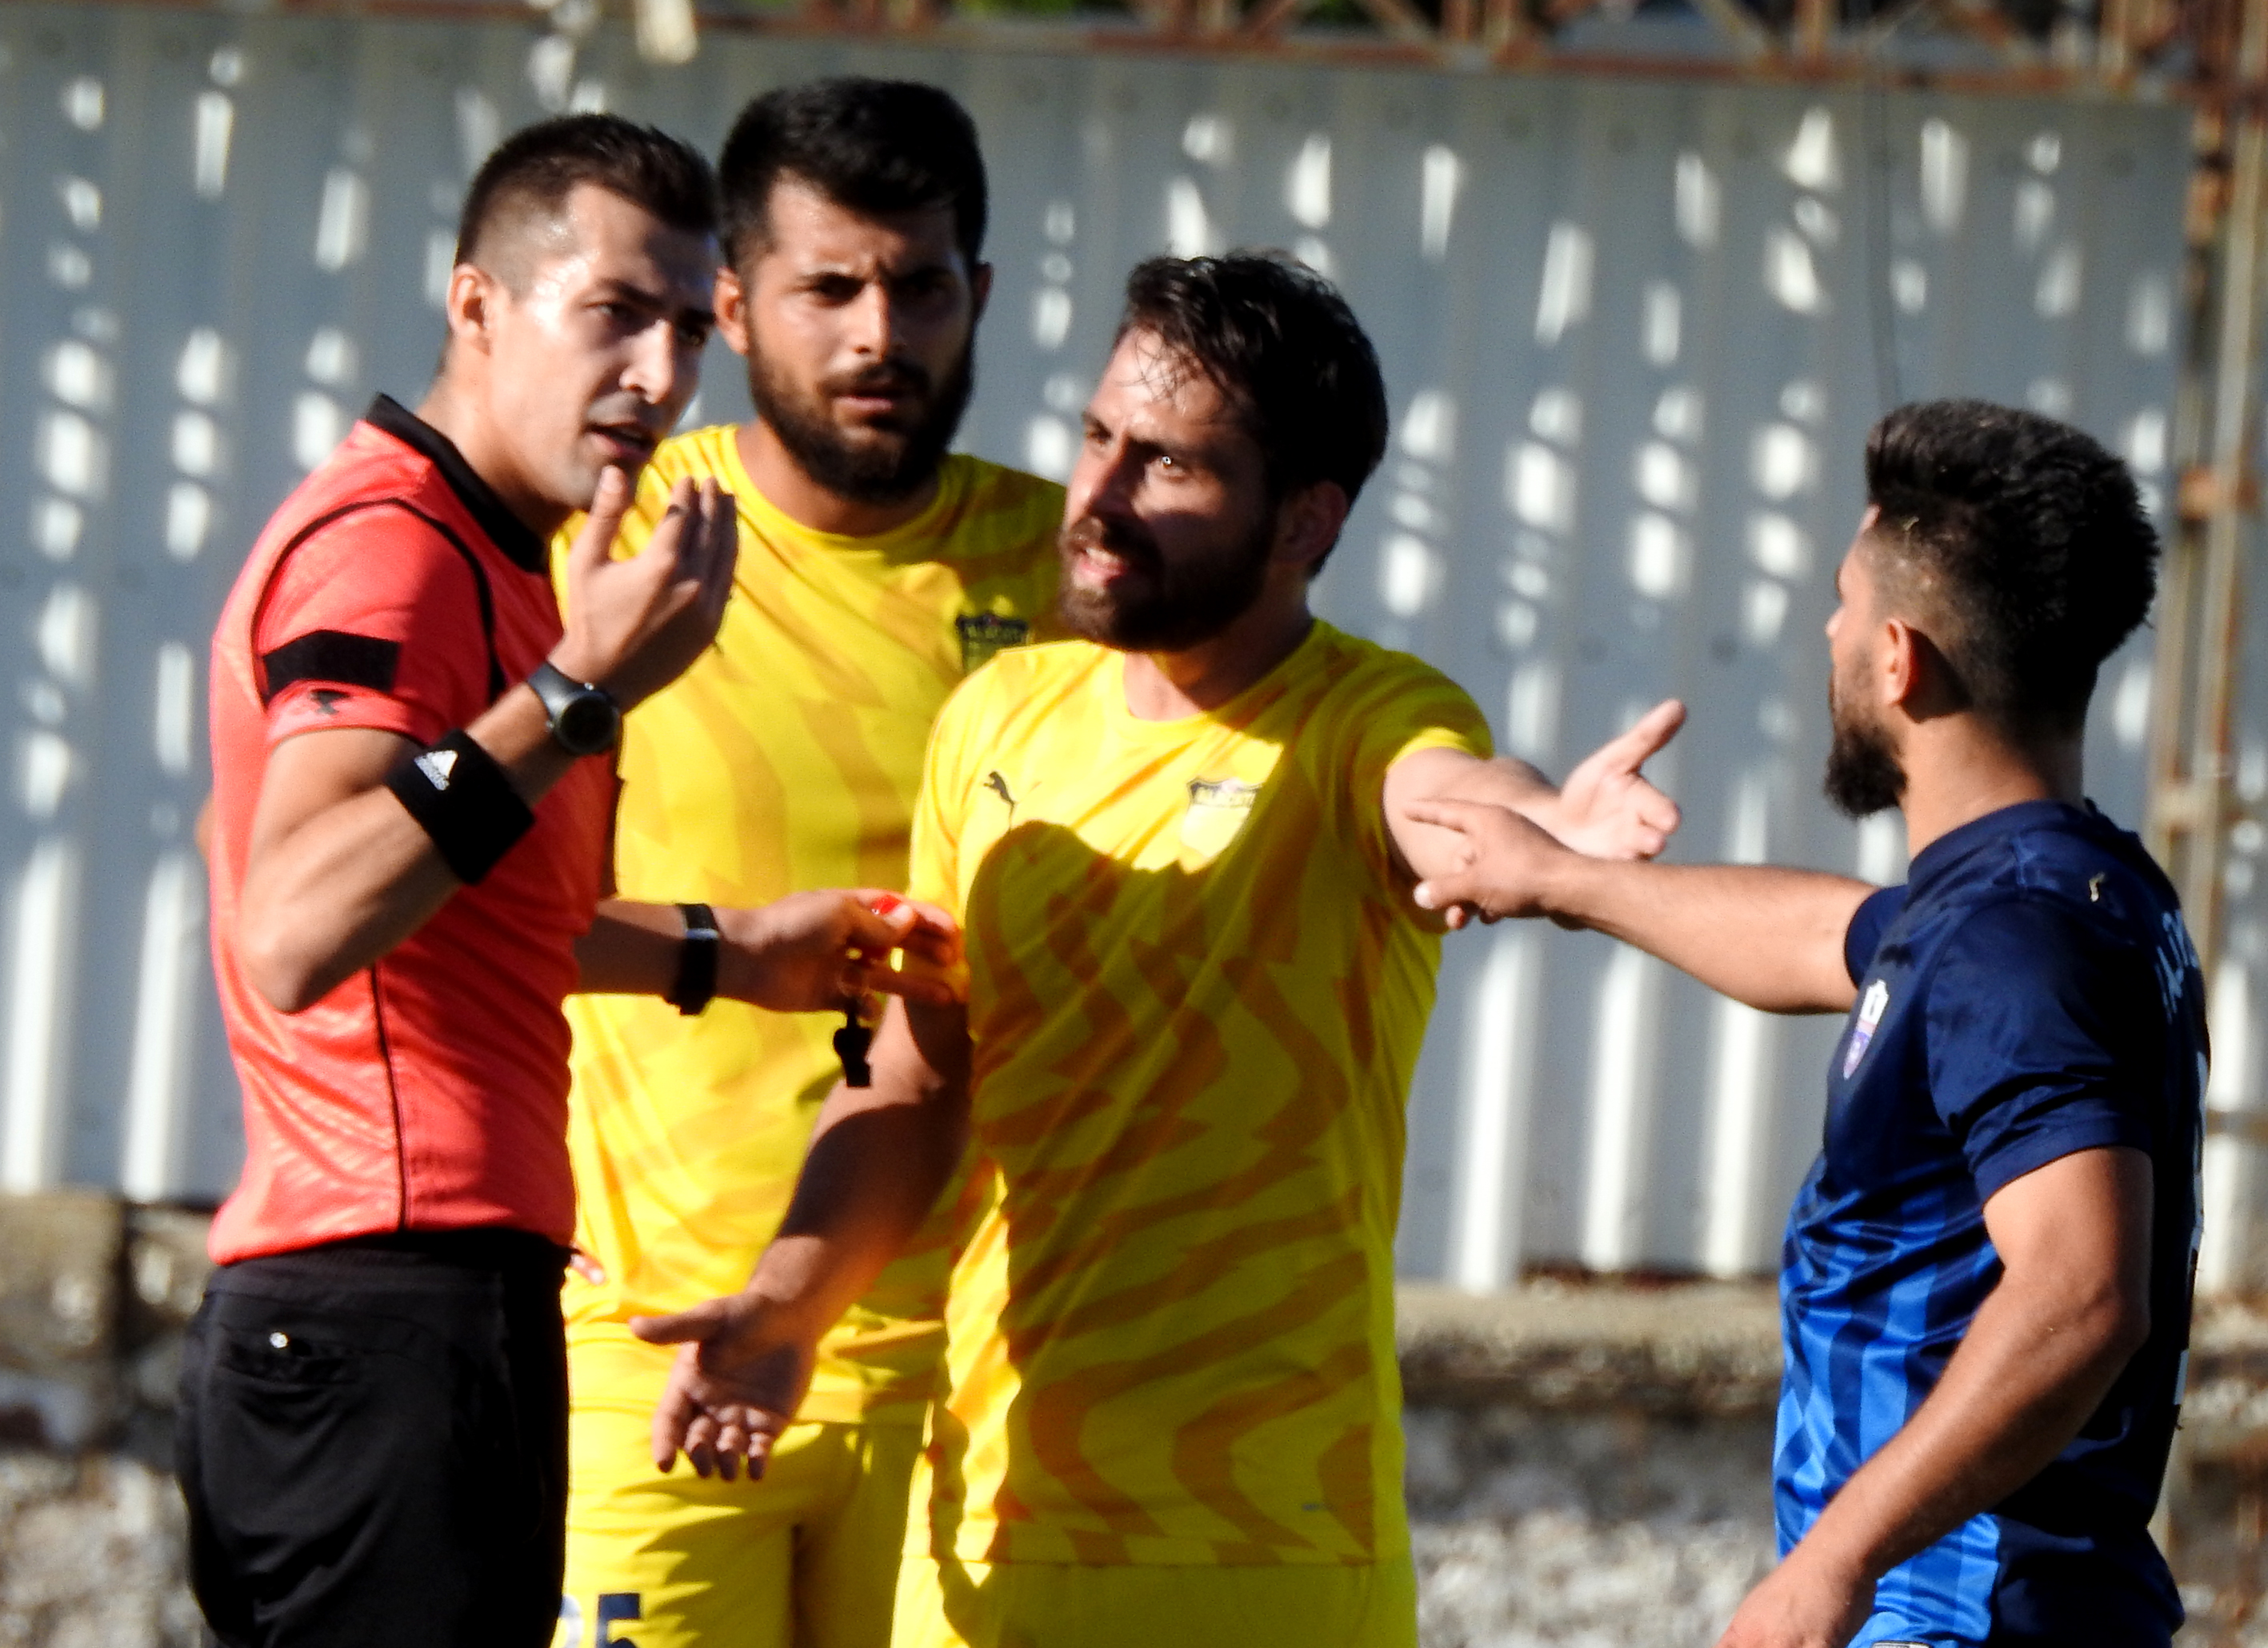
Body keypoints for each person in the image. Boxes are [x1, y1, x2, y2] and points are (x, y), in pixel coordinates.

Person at [631, 252, 1686, 1648]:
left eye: (1171, 465)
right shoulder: (997, 712)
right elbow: (920, 1075)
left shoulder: (1364, 719)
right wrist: (787, 1299)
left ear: (1307, 518)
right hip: (986, 1539)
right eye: (1098, 438)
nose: (1100, 498)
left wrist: (1548, 831)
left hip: (1263, 1559)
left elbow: (1448, 794)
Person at [183, 114, 950, 1648]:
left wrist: (726, 951)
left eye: (686, 330)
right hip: (379, 1301)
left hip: (429, 1300)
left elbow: (447, 909)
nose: (658, 377)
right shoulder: (390, 551)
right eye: (611, 313)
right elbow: (298, 924)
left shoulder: (500, 556)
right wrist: (574, 696)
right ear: (477, 305)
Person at [1406, 401, 2206, 1648]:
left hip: (1960, 1617)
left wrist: (1831, 1564)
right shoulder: (2060, 895)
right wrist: (1564, 878)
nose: (1825, 634)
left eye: (1841, 605)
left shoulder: (2012, 941)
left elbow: (2084, 1292)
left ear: (1898, 659)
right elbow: (1829, 937)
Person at [551, 79, 1062, 1648]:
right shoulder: (613, 546)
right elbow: (457, 898)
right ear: (731, 303)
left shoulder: (1077, 579)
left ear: (979, 293)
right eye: (828, 287)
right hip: (646, 1347)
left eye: (920, 287)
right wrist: (720, 949)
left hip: (977, 1370)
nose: (877, 335)